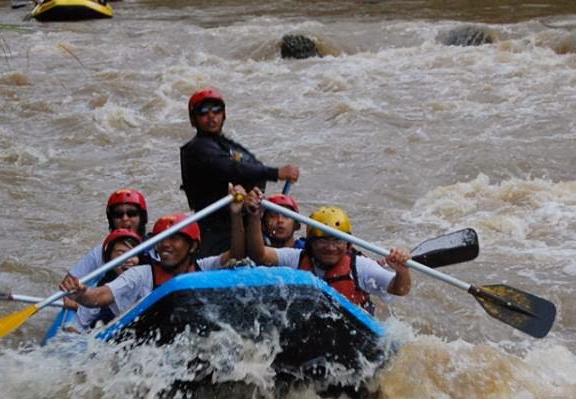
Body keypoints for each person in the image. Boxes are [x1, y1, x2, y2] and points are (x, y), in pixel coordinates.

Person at [68, 185, 248, 314]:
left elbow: (237, 255)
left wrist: (236, 214)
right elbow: (101, 296)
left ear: (192, 246)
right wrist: (81, 294)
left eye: (174, 238)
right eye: (161, 239)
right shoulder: (141, 275)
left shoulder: (205, 267)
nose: (165, 245)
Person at [242, 190, 411, 313]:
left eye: (337, 241)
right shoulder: (296, 257)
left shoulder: (360, 266)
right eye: (323, 241)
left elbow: (400, 289)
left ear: (347, 244)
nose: (331, 248)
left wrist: (402, 270)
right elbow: (260, 254)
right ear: (310, 243)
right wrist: (254, 216)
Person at [180, 87, 300, 257]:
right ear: (194, 119)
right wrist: (276, 173)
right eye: (203, 112)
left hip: (246, 222)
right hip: (215, 229)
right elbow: (231, 169)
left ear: (224, 115)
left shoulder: (229, 146)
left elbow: (253, 167)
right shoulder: (196, 148)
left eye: (216, 110)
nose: (211, 116)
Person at [62, 188, 149, 293]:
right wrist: (71, 293)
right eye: (118, 214)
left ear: (142, 218)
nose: (125, 219)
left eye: (132, 213)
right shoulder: (101, 251)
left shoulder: (155, 246)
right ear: (111, 220)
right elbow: (69, 282)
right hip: (107, 301)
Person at [66, 228, 143, 331]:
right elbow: (79, 325)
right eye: (121, 254)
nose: (128, 259)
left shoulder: (146, 277)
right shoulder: (102, 288)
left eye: (133, 254)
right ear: (109, 259)